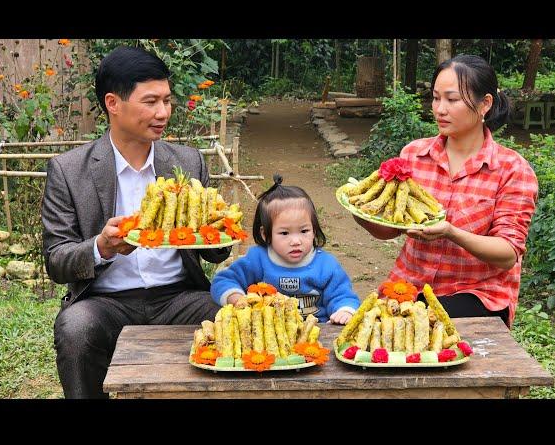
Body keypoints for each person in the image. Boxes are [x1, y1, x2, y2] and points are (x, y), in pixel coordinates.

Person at [41, 46, 230, 398]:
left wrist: (219, 229)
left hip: (179, 296)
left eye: (167, 101)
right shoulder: (68, 170)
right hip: (106, 301)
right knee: (75, 328)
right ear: (113, 103)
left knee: (231, 316)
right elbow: (56, 260)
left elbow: (214, 254)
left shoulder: (188, 163)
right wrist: (102, 246)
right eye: (150, 102)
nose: (163, 113)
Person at [355, 54, 538, 327]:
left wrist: (451, 232)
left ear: (485, 103)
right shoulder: (414, 155)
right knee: (370, 335)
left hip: (476, 294)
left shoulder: (512, 169)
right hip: (409, 287)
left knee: (424, 329)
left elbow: (507, 253)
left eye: (452, 100)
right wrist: (360, 212)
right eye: (436, 97)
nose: (440, 109)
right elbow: (391, 228)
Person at [210, 174, 360, 324]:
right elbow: (224, 281)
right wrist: (237, 299)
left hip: (316, 335)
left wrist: (344, 311)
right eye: (284, 233)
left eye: (304, 231)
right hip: (267, 332)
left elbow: (343, 295)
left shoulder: (326, 265)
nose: (295, 241)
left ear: (314, 230)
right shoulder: (258, 259)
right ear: (266, 234)